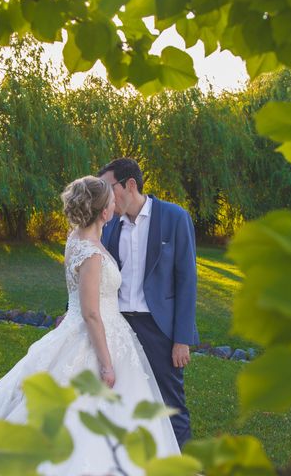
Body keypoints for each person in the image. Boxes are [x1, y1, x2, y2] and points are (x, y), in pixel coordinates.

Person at [0, 176, 179, 474]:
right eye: (110, 201)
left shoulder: (76, 240)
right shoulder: (92, 253)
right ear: (103, 211)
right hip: (95, 336)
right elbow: (91, 313)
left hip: (80, 331)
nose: (114, 204)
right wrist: (107, 365)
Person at [98, 158, 199, 449]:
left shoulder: (174, 217)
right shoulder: (108, 225)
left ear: (130, 185)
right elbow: (95, 274)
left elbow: (187, 281)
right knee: (124, 397)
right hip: (118, 325)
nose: (105, 197)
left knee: (171, 404)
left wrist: (181, 339)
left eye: (108, 188)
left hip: (159, 327)